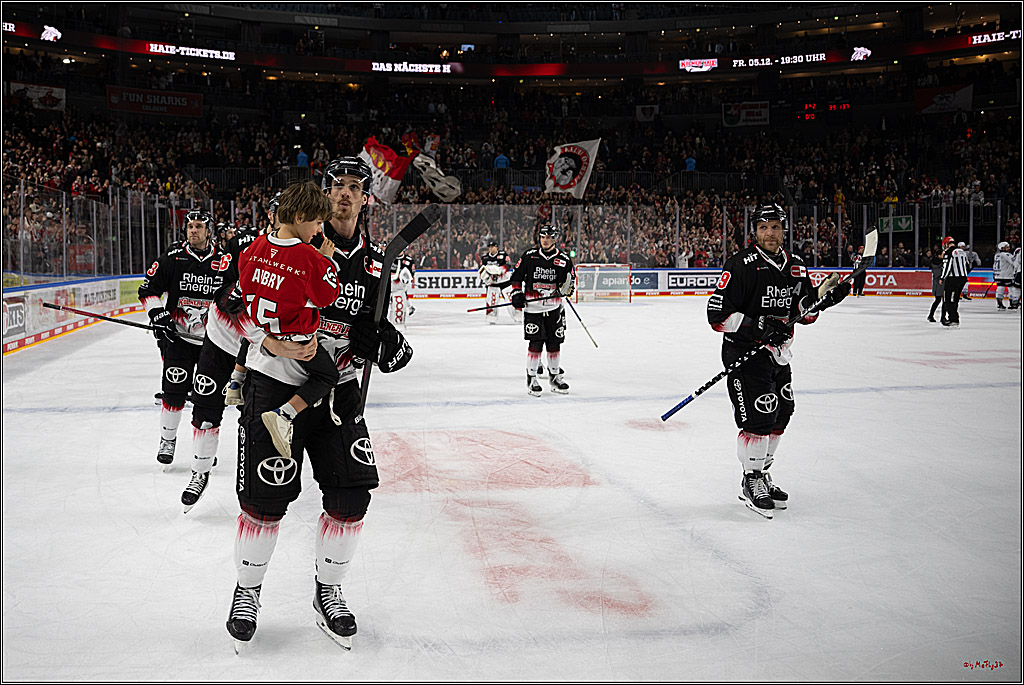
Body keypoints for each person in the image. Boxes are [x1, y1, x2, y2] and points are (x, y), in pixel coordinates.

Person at [226, 157, 413, 652]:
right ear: (324, 194)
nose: (345, 194)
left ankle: (328, 589)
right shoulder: (287, 242)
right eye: (337, 186)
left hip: (339, 391)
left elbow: (378, 330)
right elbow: (232, 305)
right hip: (275, 384)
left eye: (355, 187)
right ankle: (247, 592)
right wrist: (267, 342)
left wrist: (387, 344)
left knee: (352, 497)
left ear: (366, 199)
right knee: (264, 502)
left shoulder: (379, 264)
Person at [706, 203, 850, 519]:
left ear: (784, 230)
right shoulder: (741, 265)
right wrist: (758, 326)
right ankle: (751, 479)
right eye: (763, 227)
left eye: (775, 227)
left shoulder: (795, 266)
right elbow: (716, 316)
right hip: (746, 354)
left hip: (779, 354)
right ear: (755, 232)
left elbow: (803, 313)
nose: (769, 233)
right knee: (759, 419)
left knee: (782, 413)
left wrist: (824, 299)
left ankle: (762, 472)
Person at [236, 181, 341, 461]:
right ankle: (284, 415)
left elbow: (243, 297)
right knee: (328, 376)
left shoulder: (253, 247)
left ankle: (235, 381)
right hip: (297, 341)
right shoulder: (309, 258)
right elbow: (327, 296)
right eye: (317, 222)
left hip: (263, 338)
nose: (318, 230)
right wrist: (325, 260)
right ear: (300, 216)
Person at [139, 209, 231, 468]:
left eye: (199, 226)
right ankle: (167, 440)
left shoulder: (225, 261)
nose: (193, 230)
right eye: (190, 226)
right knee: (173, 392)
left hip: (213, 343)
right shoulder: (173, 258)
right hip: (178, 339)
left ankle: (204, 448)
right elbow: (148, 289)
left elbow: (238, 295)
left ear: (209, 231)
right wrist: (159, 316)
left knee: (208, 397)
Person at [508, 225, 576, 396]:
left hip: (554, 308)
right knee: (535, 344)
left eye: (549, 237)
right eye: (543, 237)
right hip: (533, 309)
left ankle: (555, 377)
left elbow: (570, 282)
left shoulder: (564, 260)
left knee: (554, 343)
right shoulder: (529, 256)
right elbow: (516, 277)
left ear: (555, 239)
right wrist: (516, 294)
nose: (545, 240)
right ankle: (531, 378)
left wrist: (568, 289)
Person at [477, 240, 513, 324]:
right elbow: (482, 269)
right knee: (491, 301)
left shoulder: (503, 255)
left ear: (497, 247)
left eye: (493, 247)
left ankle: (518, 316)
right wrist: (486, 277)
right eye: (490, 247)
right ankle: (491, 318)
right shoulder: (485, 257)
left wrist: (501, 270)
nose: (491, 248)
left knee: (511, 300)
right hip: (493, 284)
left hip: (505, 282)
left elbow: (508, 265)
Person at [939, 236, 970, 327]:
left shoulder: (949, 252)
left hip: (953, 279)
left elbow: (947, 266)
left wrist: (942, 277)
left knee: (948, 299)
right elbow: (968, 265)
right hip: (963, 278)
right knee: (955, 299)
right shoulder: (962, 252)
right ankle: (955, 318)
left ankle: (953, 318)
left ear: (946, 244)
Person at [992, 241, 1015, 310]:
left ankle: (999, 304)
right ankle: (1012, 304)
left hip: (998, 275)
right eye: (1007, 247)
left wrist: (994, 273)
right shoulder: (1007, 255)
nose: (1009, 248)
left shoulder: (997, 255)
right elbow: (1014, 262)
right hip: (1007, 275)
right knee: (1011, 289)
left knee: (1000, 289)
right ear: (1002, 248)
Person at [926, 247, 944, 323]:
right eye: (942, 254)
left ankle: (932, 315)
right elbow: (938, 274)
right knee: (939, 300)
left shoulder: (935, 263)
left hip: (938, 284)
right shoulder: (938, 264)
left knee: (938, 300)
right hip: (939, 284)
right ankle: (936, 316)